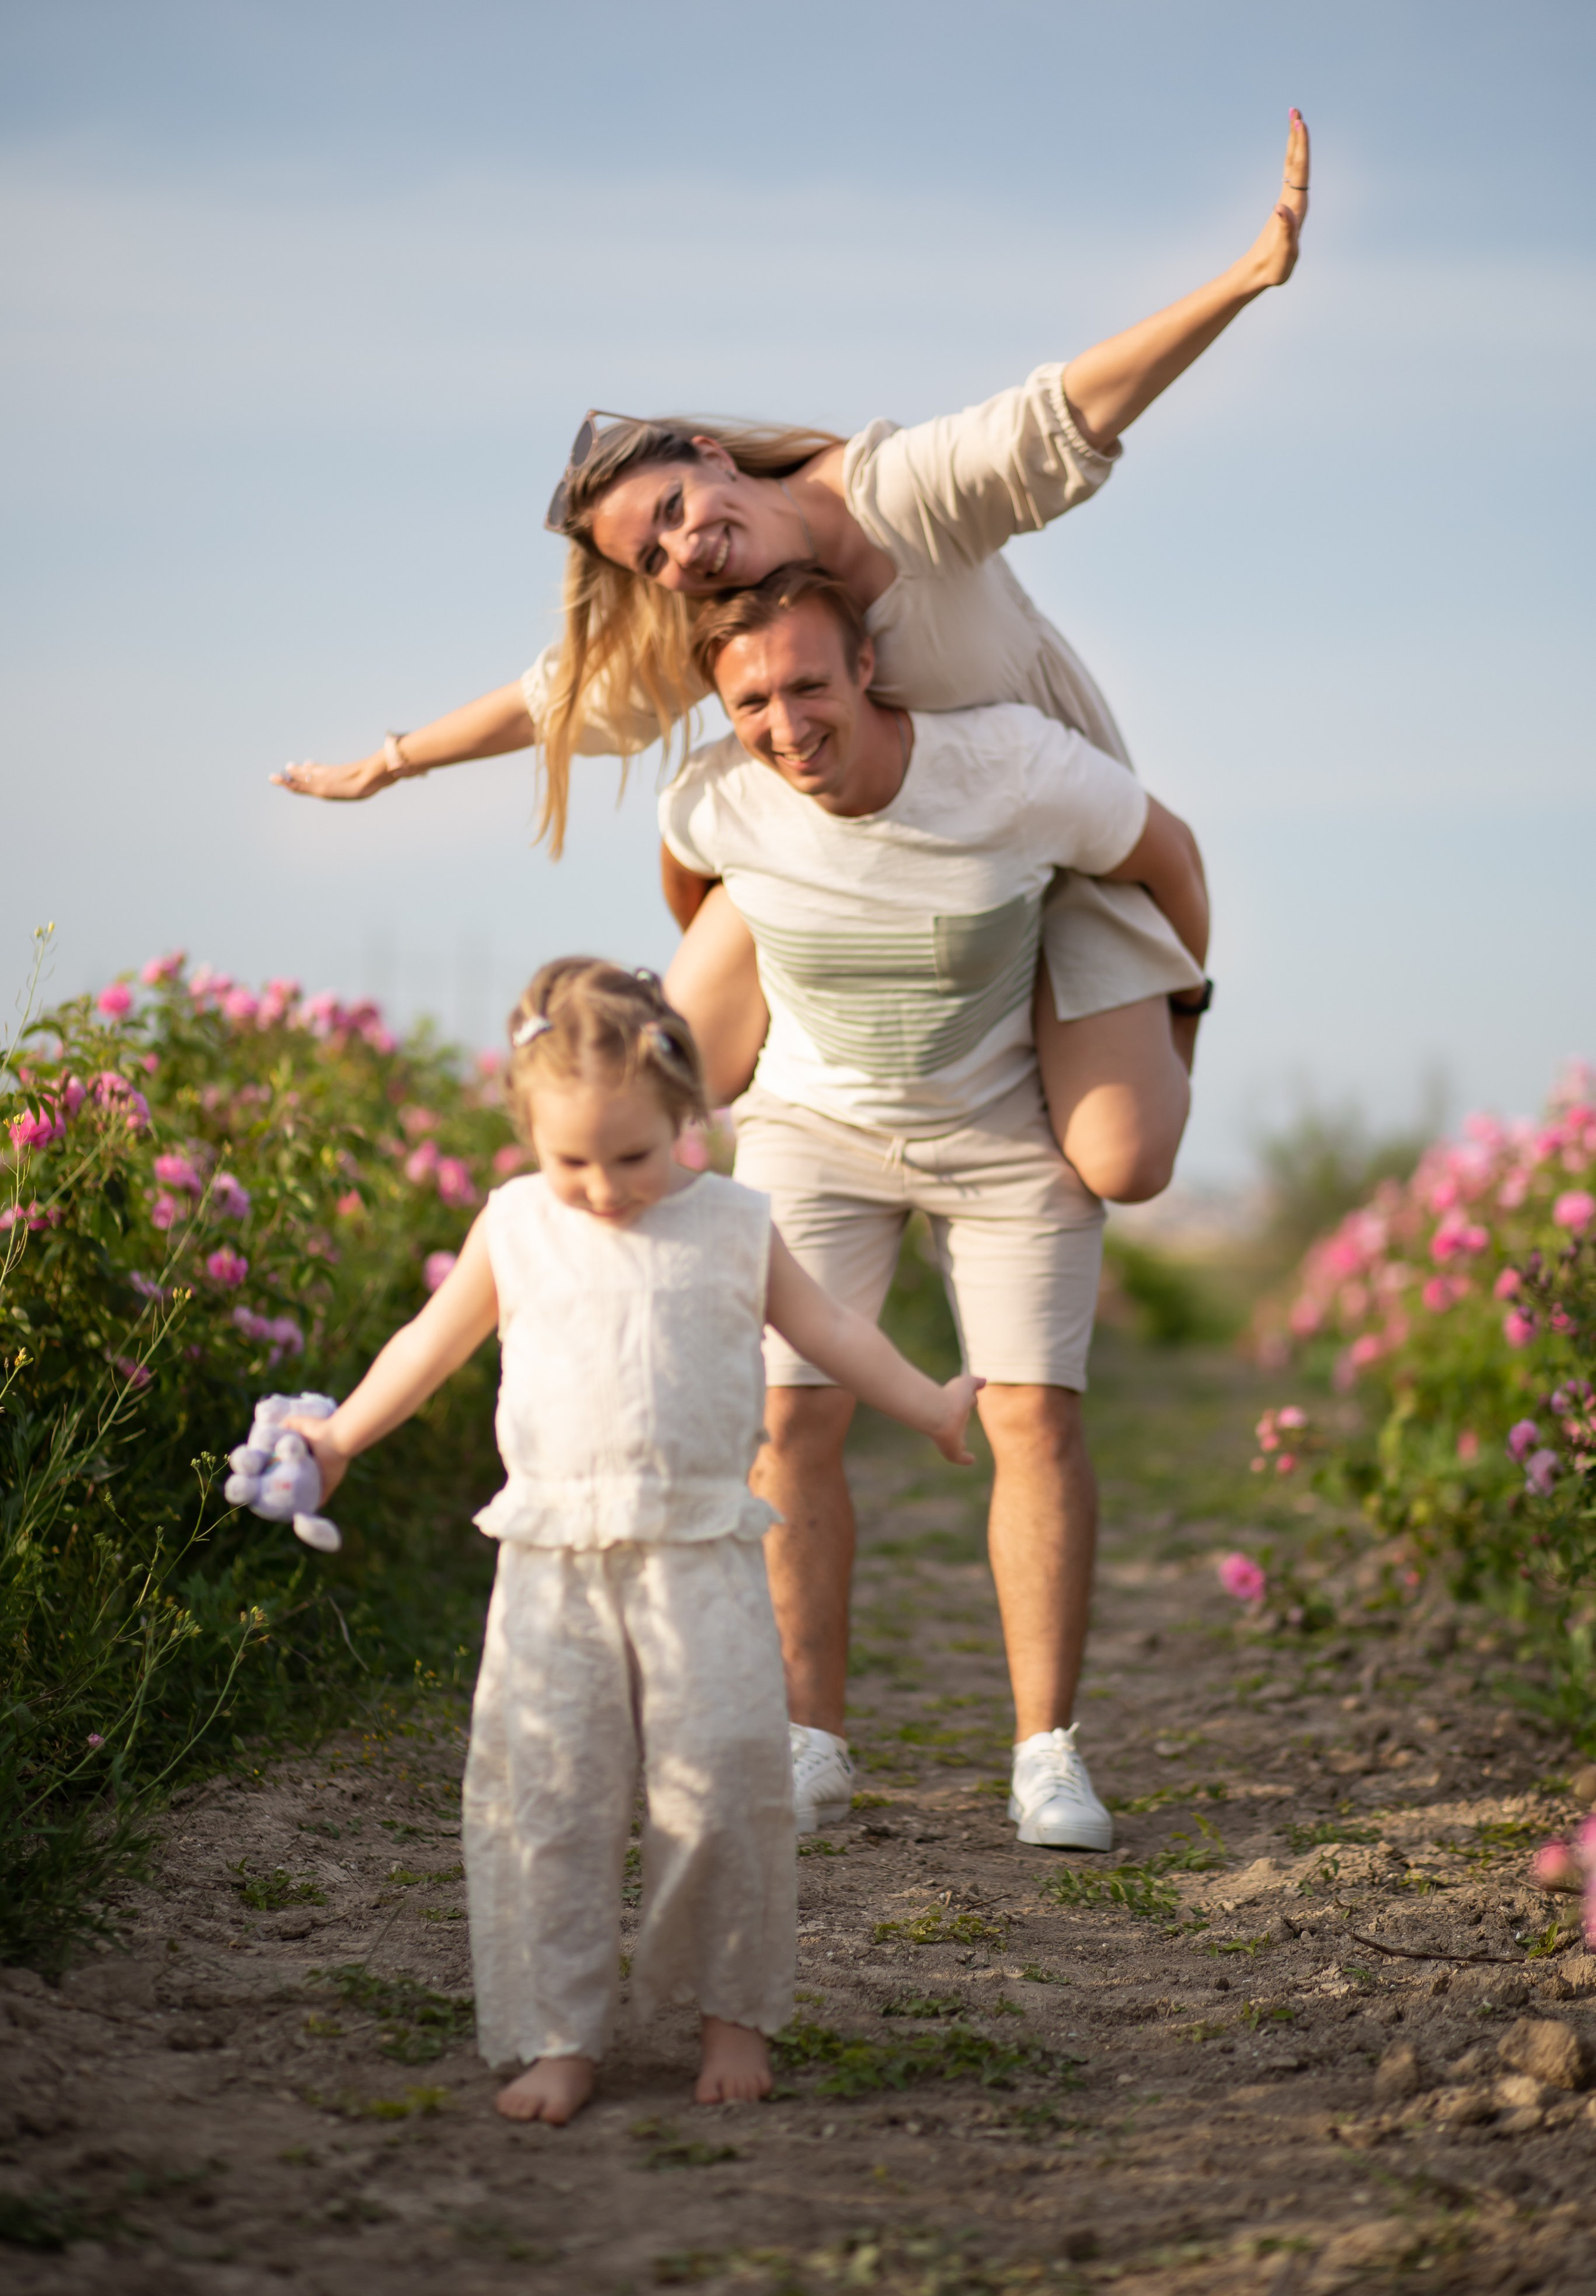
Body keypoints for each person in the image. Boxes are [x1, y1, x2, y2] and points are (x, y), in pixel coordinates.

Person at [274, 117, 1309, 1203]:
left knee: (1124, 1166)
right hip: (867, 851)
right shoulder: (714, 611)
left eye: (676, 507)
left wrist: (1245, 279)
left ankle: (1060, 1057)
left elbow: (1061, 415)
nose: (684, 549)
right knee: (696, 1074)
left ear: (712, 455)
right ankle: (815, 1088)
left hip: (1041, 831)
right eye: (653, 554)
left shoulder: (900, 494)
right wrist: (390, 763)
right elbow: (558, 703)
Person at [272, 958, 981, 2126]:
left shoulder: (736, 1225)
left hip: (699, 1550)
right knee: (550, 1788)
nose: (601, 1188)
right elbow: (427, 1341)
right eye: (572, 1162)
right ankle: (560, 2031)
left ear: (687, 1118)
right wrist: (341, 1434)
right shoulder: (513, 1223)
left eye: (633, 1158)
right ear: (529, 1137)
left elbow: (833, 1331)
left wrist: (931, 1404)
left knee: (722, 1784)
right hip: (552, 1552)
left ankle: (732, 2012)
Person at [658, 564, 1207, 1845]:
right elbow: (696, 890)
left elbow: (1167, 857)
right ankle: (807, 1744)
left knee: (1031, 1419)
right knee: (790, 1427)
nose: (784, 722)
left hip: (1004, 1125)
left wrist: (1173, 1020)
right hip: (810, 1127)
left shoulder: (1010, 766)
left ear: (866, 667)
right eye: (750, 700)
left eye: (807, 683)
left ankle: (1045, 1755)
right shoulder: (716, 796)